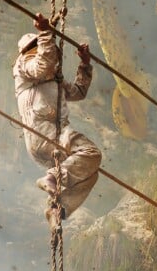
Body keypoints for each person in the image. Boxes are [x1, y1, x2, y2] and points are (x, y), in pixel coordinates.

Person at [13, 13, 102, 226]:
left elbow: (79, 91)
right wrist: (45, 33)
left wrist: (85, 64)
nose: (51, 55)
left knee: (89, 172)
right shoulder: (24, 66)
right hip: (43, 135)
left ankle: (58, 207)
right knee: (91, 153)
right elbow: (41, 66)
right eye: (45, 48)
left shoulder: (53, 81)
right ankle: (53, 177)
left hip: (54, 139)